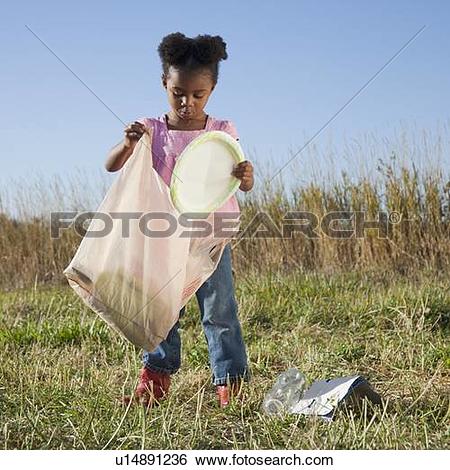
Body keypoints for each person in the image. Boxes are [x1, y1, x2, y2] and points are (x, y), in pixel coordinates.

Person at [105, 32, 254, 408]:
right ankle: (155, 380)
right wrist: (127, 143)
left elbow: (237, 181)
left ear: (212, 89)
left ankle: (230, 385)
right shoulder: (151, 130)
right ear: (164, 85)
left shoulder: (221, 133)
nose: (187, 102)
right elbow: (111, 165)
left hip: (210, 240)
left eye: (197, 95)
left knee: (220, 313)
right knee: (162, 312)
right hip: (165, 239)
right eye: (178, 93)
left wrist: (246, 177)